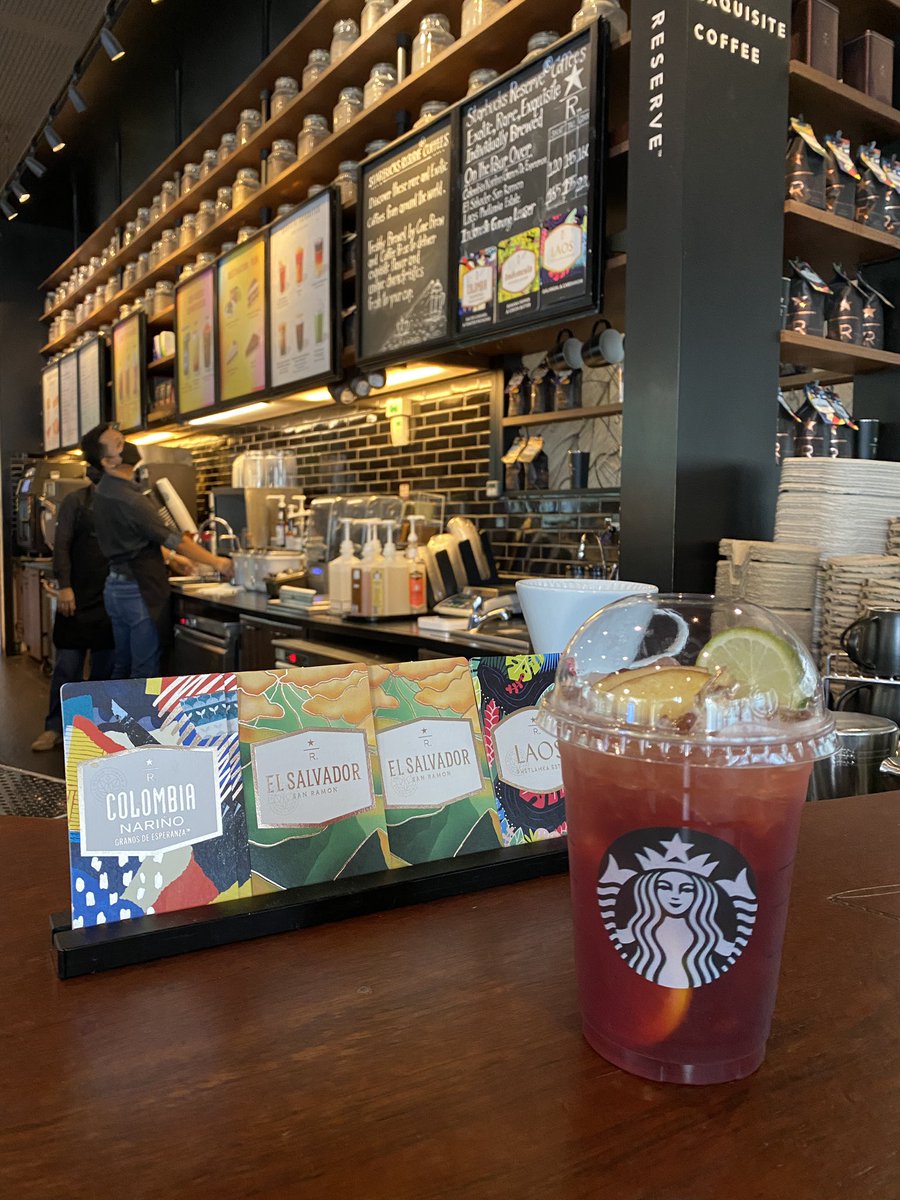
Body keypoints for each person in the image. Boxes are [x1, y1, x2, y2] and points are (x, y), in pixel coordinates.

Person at [81, 422, 234, 679]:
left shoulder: (105, 490)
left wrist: (172, 559)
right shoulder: (130, 499)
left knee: (123, 665)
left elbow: (135, 539)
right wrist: (220, 563)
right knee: (144, 671)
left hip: (116, 586)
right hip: (137, 590)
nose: (128, 446)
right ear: (108, 462)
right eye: (119, 444)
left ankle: (118, 708)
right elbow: (176, 540)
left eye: (123, 438)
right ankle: (141, 709)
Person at [31, 467, 116, 751]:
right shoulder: (75, 501)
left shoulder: (122, 502)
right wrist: (65, 585)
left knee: (104, 673)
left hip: (109, 599)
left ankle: (98, 732)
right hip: (76, 597)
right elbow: (62, 545)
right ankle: (55, 727)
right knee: (67, 668)